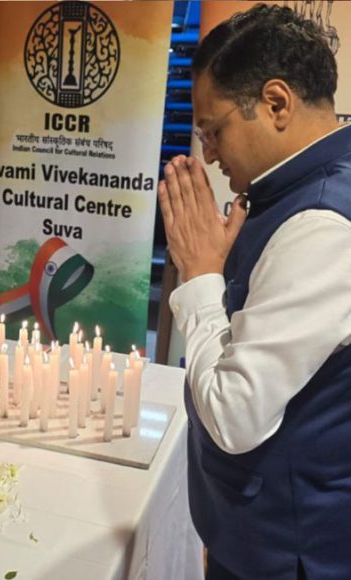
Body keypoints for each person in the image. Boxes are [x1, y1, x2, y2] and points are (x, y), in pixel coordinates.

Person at [157, 6, 351, 578]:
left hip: (289, 551)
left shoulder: (321, 228)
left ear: (275, 103)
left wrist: (199, 278)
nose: (209, 154)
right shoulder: (292, 193)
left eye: (214, 131)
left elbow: (234, 414)